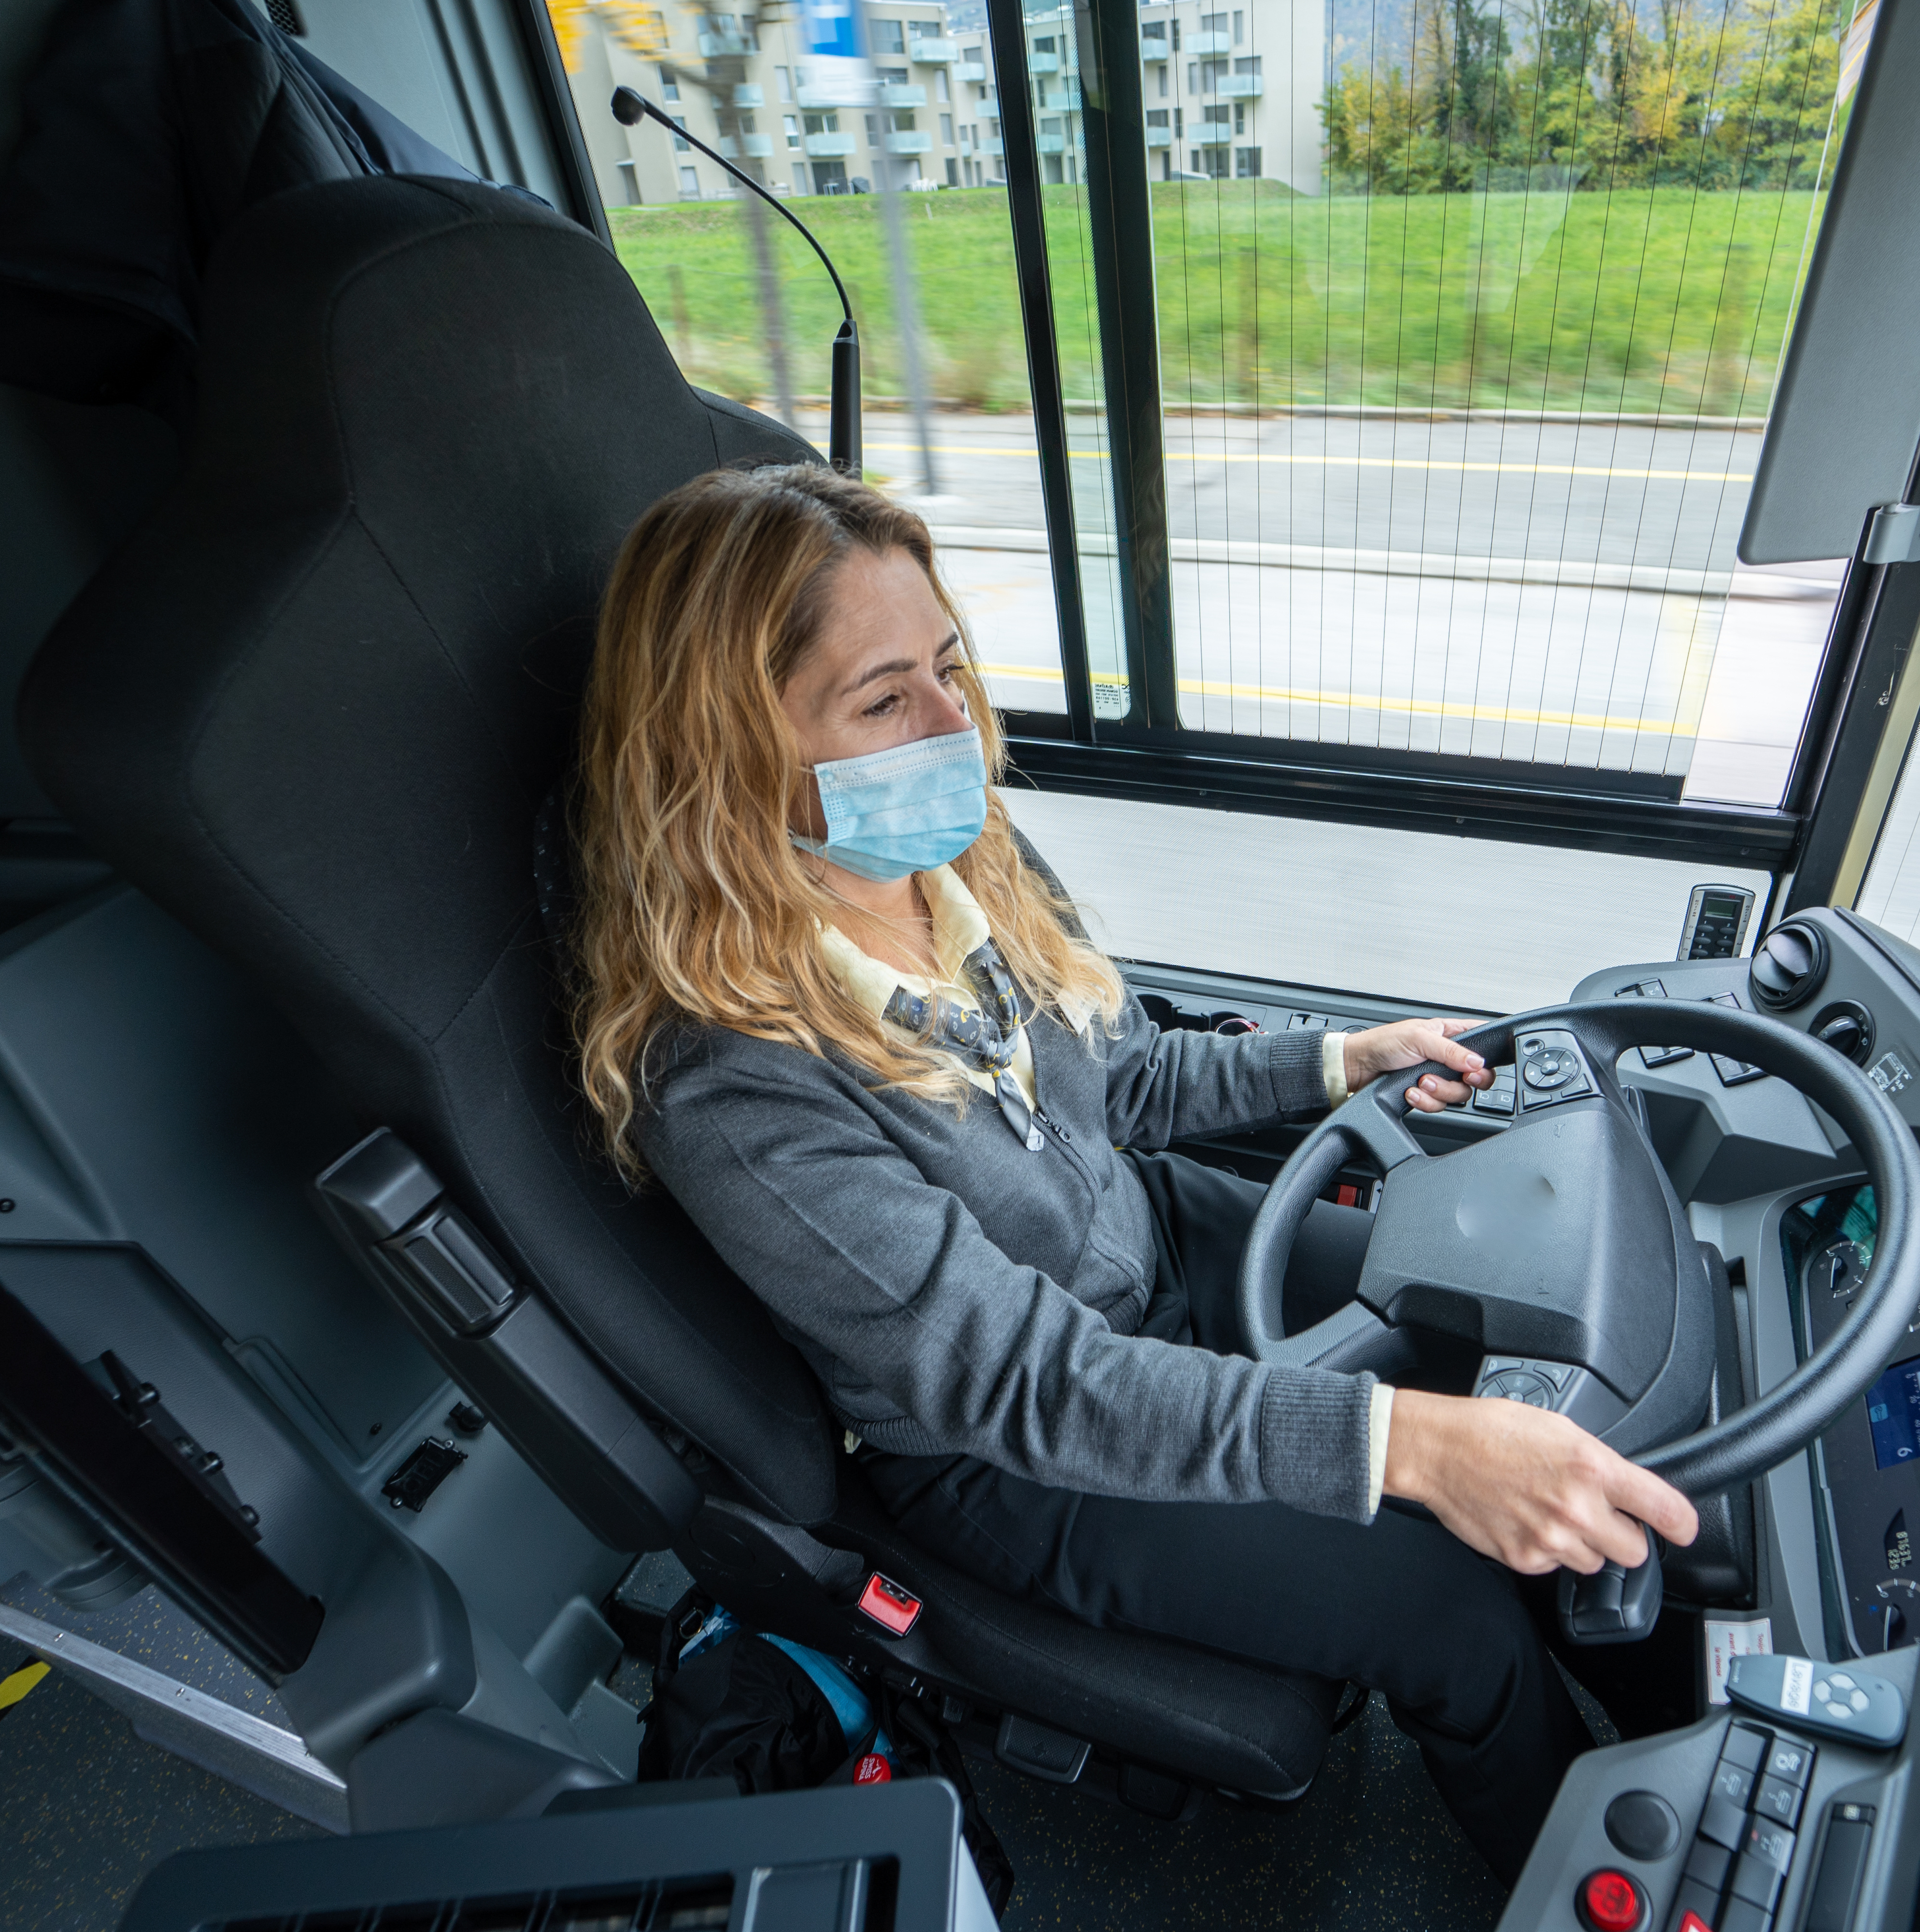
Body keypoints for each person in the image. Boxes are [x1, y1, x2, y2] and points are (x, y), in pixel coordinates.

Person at [568, 463, 1699, 1878]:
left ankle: (1709, 1733)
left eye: (952, 669)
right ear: (726, 752)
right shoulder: (732, 1083)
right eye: (884, 700)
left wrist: (1341, 1058)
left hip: (1156, 1239)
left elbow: (1127, 1075)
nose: (956, 729)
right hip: (1019, 1454)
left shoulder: (959, 857)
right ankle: (1614, 1873)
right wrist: (1405, 1445)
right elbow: (1030, 1382)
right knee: (1452, 1618)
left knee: (1531, 1341)